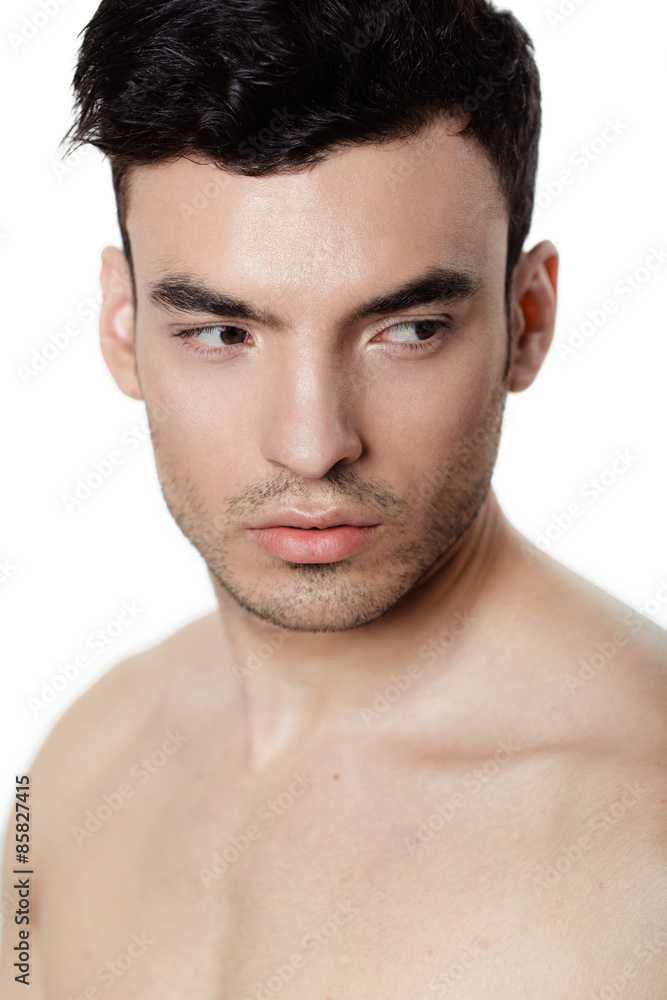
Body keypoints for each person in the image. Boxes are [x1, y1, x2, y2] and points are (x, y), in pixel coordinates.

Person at [2, 0, 666, 995]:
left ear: (526, 320)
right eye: (223, 333)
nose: (312, 446)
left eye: (407, 330)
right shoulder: (74, 772)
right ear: (119, 324)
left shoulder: (640, 846)